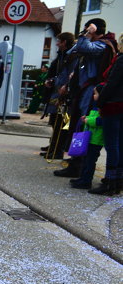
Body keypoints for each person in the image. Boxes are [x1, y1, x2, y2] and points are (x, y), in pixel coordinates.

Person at [55, 18, 118, 178]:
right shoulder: (95, 44)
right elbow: (72, 51)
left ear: (94, 29)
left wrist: (86, 33)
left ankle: (80, 166)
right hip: (84, 90)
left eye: (88, 29)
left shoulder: (103, 44)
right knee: (78, 125)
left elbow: (83, 46)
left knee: (84, 126)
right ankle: (76, 162)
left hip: (92, 91)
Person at [92, 39, 123, 195]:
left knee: (112, 145)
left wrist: (100, 101)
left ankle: (110, 181)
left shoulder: (121, 60)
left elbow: (112, 83)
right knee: (120, 144)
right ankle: (117, 181)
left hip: (114, 105)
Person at [41, 33, 77, 160]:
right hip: (57, 93)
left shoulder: (72, 56)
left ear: (65, 42)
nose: (57, 43)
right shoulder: (63, 55)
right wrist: (52, 81)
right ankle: (54, 148)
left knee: (63, 124)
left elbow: (71, 75)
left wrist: (66, 86)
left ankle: (58, 150)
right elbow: (60, 74)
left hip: (65, 96)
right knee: (56, 123)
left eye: (59, 41)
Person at [69, 85, 105, 190]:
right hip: (90, 138)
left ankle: (86, 181)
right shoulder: (95, 107)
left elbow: (99, 121)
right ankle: (82, 178)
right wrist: (87, 118)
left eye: (95, 94)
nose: (93, 96)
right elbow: (93, 118)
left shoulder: (102, 108)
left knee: (90, 161)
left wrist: (88, 120)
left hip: (96, 140)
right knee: (85, 160)